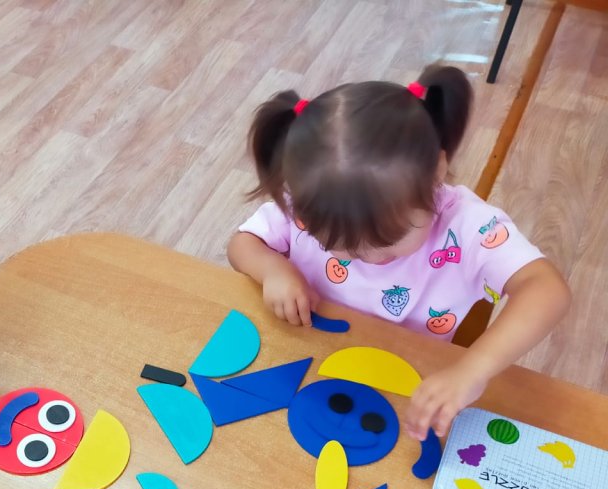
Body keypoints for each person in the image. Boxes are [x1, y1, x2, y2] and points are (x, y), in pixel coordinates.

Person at [227, 64, 570, 440]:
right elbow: (242, 244)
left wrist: (473, 369)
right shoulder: (310, 201)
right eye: (341, 246)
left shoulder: (468, 227)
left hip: (406, 387)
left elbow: (546, 289)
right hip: (309, 361)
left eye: (389, 238)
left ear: (437, 172)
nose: (371, 258)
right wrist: (272, 268)